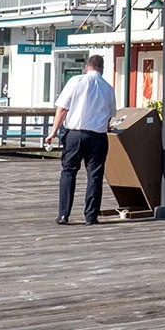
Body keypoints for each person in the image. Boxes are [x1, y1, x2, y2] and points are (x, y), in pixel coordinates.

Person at [44, 54, 116, 226]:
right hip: (97, 136)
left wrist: (53, 132)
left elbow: (62, 108)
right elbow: (110, 116)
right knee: (95, 175)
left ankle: (63, 214)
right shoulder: (108, 87)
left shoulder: (76, 81)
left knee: (68, 172)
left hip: (74, 134)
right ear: (102, 69)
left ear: (87, 67)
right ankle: (91, 216)